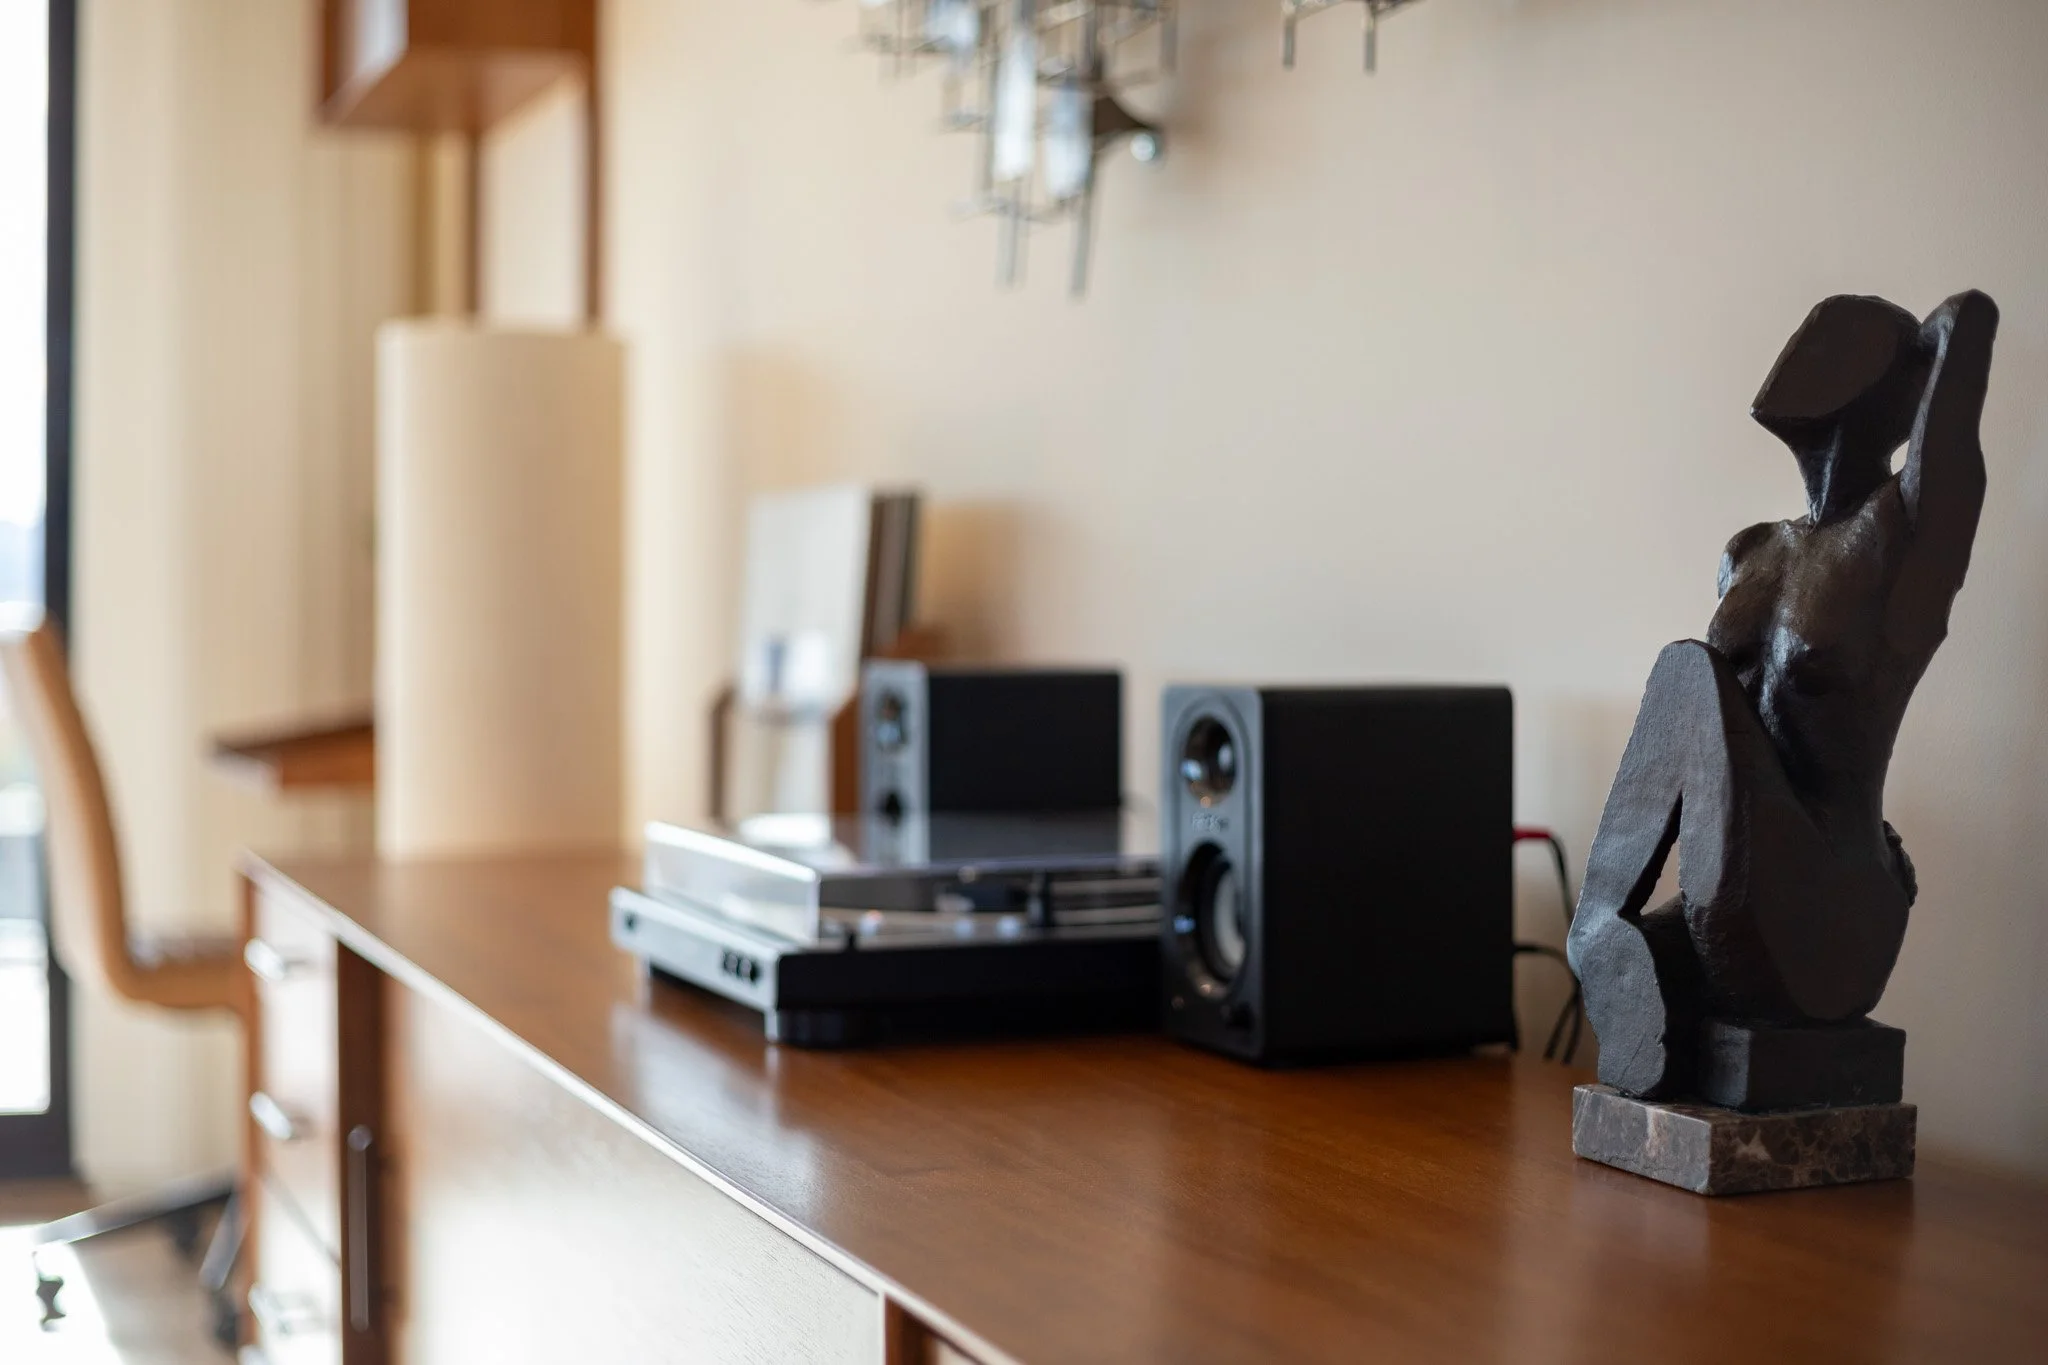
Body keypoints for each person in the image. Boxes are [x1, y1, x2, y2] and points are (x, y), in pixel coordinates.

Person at [1567, 291, 1999, 1099]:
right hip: (1734, 907)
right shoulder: (1753, 552)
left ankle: (1594, 924)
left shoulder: (1899, 544)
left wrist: (1941, 336)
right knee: (1650, 967)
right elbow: (1714, 759)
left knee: (1687, 673)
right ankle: (1615, 941)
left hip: (1834, 908)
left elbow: (1968, 338)